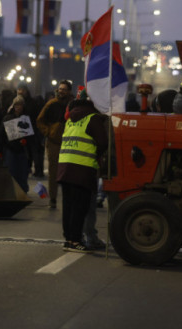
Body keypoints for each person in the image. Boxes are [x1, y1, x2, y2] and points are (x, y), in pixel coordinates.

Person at [57, 93, 108, 253]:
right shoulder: (93, 118)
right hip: (82, 169)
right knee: (80, 207)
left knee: (69, 206)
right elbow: (103, 143)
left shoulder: (70, 120)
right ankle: (75, 240)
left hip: (65, 168)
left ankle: (68, 239)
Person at [36, 80, 74, 209]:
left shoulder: (72, 105)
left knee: (68, 172)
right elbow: (40, 120)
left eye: (64, 89)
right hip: (54, 143)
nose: (61, 91)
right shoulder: (51, 104)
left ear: (69, 91)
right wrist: (49, 132)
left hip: (70, 142)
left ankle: (68, 200)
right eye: (60, 89)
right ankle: (52, 199)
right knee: (53, 171)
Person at [0, 95, 34, 193]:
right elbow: (2, 135)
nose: (18, 107)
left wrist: (26, 142)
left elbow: (31, 136)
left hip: (22, 150)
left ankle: (22, 192)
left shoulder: (26, 118)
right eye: (17, 105)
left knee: (22, 173)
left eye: (20, 105)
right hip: (10, 149)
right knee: (11, 172)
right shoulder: (8, 118)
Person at [16, 82, 45, 178]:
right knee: (26, 152)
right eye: (19, 90)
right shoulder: (16, 102)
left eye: (22, 90)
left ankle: (37, 170)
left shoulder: (32, 102)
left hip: (31, 131)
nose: (20, 92)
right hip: (22, 130)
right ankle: (26, 169)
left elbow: (35, 116)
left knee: (33, 152)